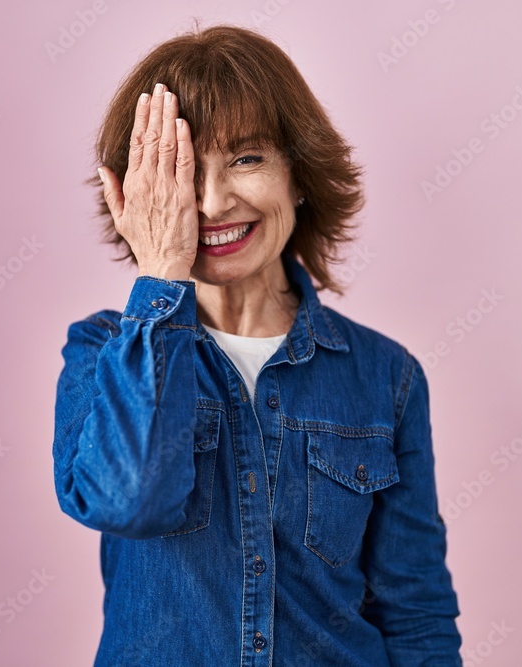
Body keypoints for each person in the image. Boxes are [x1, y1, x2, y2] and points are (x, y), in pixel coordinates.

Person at [53, 23, 462, 666]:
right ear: (137, 195)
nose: (212, 203)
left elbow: (415, 613)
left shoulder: (387, 376)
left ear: (298, 174)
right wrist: (161, 274)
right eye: (180, 170)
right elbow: (129, 500)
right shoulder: (101, 352)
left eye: (247, 159)